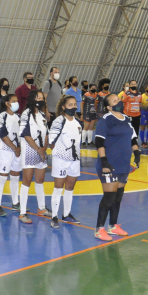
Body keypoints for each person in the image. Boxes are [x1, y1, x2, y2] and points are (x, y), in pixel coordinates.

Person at [94, 93, 140, 241]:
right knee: (109, 197)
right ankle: (99, 229)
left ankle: (113, 226)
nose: (118, 101)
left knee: (118, 197)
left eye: (118, 99)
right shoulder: (105, 120)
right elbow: (99, 142)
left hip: (123, 163)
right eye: (114, 100)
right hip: (110, 164)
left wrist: (137, 152)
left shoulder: (126, 119)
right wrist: (104, 161)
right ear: (108, 106)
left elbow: (132, 137)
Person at [48, 95, 82, 228]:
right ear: (63, 107)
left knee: (70, 188)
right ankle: (54, 216)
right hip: (61, 160)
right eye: (70, 105)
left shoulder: (78, 122)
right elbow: (51, 140)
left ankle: (66, 214)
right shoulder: (59, 121)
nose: (73, 107)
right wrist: (59, 153)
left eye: (75, 104)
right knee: (58, 188)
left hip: (74, 160)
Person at [18, 90, 50, 223]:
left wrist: (44, 148)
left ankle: (41, 208)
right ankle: (22, 212)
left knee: (40, 179)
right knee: (27, 180)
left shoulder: (42, 115)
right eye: (38, 98)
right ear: (32, 99)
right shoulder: (26, 114)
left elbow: (47, 134)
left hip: (41, 151)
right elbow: (26, 134)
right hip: (30, 151)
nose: (41, 100)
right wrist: (38, 149)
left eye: (42, 98)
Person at [0, 93, 22, 217]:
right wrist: (15, 148)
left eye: (17, 101)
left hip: (17, 151)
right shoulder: (1, 117)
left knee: (15, 176)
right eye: (13, 101)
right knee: (2, 177)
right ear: (7, 103)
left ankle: (15, 202)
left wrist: (19, 148)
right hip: (5, 151)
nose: (16, 103)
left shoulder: (18, 117)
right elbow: (3, 135)